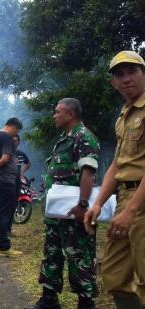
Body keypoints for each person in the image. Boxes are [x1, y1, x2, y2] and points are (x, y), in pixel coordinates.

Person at [84, 51, 145, 308]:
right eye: (120, 75)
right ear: (113, 83)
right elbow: (117, 164)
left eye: (132, 71)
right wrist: (97, 203)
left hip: (140, 201)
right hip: (125, 198)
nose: (126, 79)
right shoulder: (125, 115)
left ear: (143, 74)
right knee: (114, 275)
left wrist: (131, 210)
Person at [26, 98, 100, 309]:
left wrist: (83, 205)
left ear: (70, 115)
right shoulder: (64, 138)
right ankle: (49, 299)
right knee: (52, 253)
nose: (54, 115)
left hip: (74, 210)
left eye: (58, 112)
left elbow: (88, 173)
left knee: (78, 256)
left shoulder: (83, 137)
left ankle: (85, 303)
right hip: (56, 211)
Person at [0, 117, 23, 257]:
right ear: (13, 126)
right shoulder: (6, 137)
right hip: (5, 179)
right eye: (17, 131)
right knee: (4, 213)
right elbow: (6, 157)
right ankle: (4, 247)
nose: (15, 135)